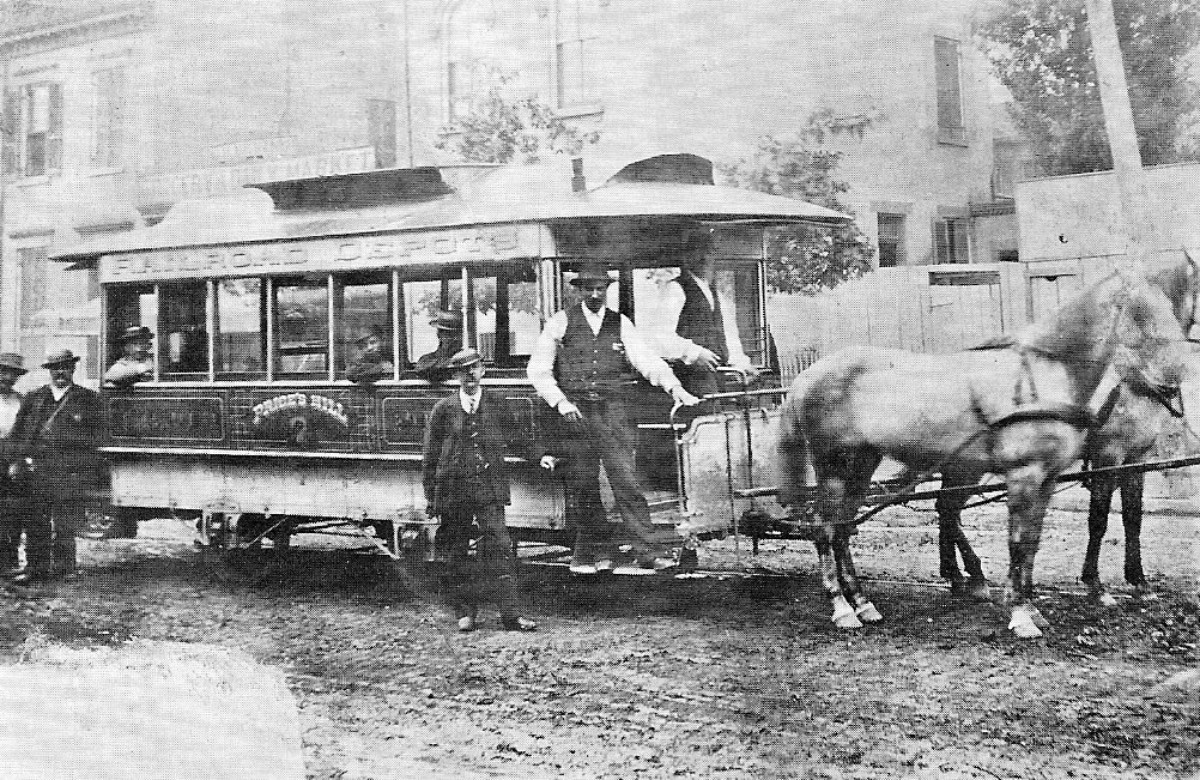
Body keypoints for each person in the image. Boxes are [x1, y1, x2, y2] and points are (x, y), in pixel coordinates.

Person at [528, 262, 700, 576]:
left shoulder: (620, 323)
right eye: (589, 289)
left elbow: (646, 360)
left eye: (600, 289)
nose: (595, 294)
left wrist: (675, 387)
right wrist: (561, 402)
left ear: (606, 291)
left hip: (613, 414)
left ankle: (648, 551)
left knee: (627, 483)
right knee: (583, 486)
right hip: (577, 415)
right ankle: (596, 551)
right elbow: (538, 371)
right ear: (578, 290)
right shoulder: (560, 323)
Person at [422, 348, 536, 632]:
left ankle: (510, 615)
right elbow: (431, 456)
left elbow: (518, 438)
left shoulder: (497, 403)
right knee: (456, 550)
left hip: (489, 490)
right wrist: (431, 496)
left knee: (500, 547)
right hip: (454, 489)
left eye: (474, 368)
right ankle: (465, 613)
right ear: (456, 376)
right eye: (463, 371)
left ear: (482, 370)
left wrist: (540, 455)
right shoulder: (444, 409)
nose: (469, 375)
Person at [7, 349, 104, 584]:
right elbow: (18, 434)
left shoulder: (88, 399)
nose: (61, 371)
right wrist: (17, 461)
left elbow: (98, 438)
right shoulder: (34, 398)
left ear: (73, 369)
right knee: (36, 522)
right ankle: (35, 568)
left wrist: (82, 466)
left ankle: (65, 567)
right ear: (49, 371)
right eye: (56, 367)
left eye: (66, 367)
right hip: (36, 470)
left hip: (69, 472)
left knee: (66, 523)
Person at [653, 232, 758, 397]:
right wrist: (694, 353)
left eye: (709, 251)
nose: (704, 257)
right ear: (687, 256)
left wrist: (742, 363)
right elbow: (660, 336)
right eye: (697, 251)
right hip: (688, 380)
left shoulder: (717, 295)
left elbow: (729, 338)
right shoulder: (675, 289)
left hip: (718, 378)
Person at [0, 353, 26, 576]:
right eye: (3, 372)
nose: (7, 377)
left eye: (12, 374)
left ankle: (8, 561)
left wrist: (17, 461)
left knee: (12, 512)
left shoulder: (21, 401)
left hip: (10, 460)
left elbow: (23, 436)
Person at [414, 310, 464, 383]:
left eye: (458, 334)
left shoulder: (466, 357)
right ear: (439, 335)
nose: (456, 338)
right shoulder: (426, 359)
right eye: (449, 334)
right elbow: (423, 369)